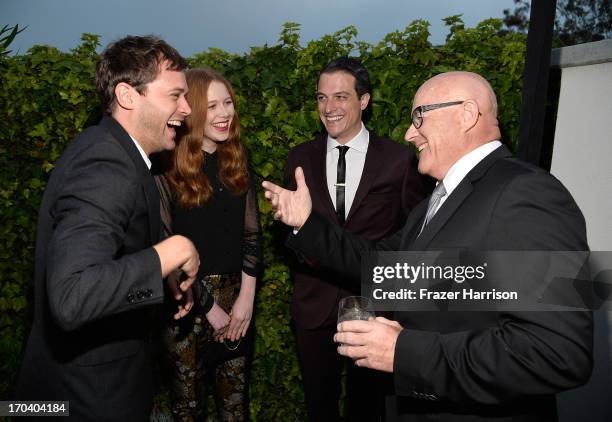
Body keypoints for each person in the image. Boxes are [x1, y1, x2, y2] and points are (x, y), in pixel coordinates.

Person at [262, 71, 593, 421]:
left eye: (419, 116)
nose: (409, 133)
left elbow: (559, 352)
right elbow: (378, 267)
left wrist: (403, 352)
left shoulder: (529, 193)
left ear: (466, 114)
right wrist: (307, 224)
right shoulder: (432, 204)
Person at [15, 35, 201, 420]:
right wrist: (169, 252)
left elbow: (112, 253)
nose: (186, 108)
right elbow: (72, 296)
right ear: (128, 95)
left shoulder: (123, 156)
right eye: (175, 95)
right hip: (83, 400)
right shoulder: (106, 164)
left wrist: (158, 273)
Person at [284, 57, 425, 421]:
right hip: (314, 306)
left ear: (364, 101)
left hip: (375, 309)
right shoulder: (299, 159)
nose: (329, 108)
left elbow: (413, 234)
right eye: (321, 98)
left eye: (341, 97)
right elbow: (292, 235)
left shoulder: (399, 160)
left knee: (370, 409)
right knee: (319, 406)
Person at [155, 67, 261, 421]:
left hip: (237, 304)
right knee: (188, 408)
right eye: (212, 105)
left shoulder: (237, 158)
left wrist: (245, 300)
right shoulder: (165, 169)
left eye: (228, 103)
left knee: (235, 407)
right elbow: (165, 249)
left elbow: (251, 235)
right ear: (193, 110)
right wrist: (210, 308)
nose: (224, 114)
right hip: (185, 304)